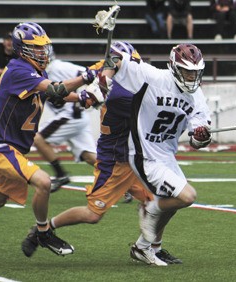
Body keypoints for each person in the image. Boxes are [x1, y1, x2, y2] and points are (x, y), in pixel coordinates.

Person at [21, 41, 182, 266]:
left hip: (137, 156)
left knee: (162, 201)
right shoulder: (121, 93)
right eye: (130, 64)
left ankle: (151, 248)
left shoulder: (115, 78)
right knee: (93, 214)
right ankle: (44, 230)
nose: (136, 68)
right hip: (117, 160)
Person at [0, 22, 102, 263]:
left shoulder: (33, 72)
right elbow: (54, 91)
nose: (43, 52)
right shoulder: (18, 70)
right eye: (37, 48)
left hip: (13, 147)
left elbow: (53, 96)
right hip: (1, 145)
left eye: (44, 48)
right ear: (22, 48)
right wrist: (86, 77)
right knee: (43, 181)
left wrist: (82, 99)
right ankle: (43, 233)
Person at [93, 43, 211, 265]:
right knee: (187, 197)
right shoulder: (153, 77)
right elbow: (116, 55)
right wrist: (105, 78)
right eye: (187, 71)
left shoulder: (198, 97)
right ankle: (150, 208)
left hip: (167, 156)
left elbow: (197, 141)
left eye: (195, 72)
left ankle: (143, 247)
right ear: (174, 68)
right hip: (143, 152)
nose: (192, 77)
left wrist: (202, 136)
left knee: (174, 203)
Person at [33, 52, 97, 192]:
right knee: (90, 157)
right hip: (75, 117)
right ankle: (126, 184)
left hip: (70, 115)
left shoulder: (57, 67)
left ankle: (61, 174)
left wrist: (91, 93)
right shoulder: (38, 73)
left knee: (38, 139)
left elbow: (86, 74)